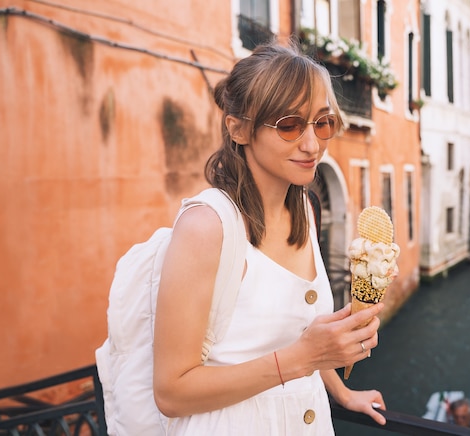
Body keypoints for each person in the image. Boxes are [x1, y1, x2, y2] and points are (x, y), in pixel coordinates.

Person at [152, 39, 388, 435]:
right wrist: (301, 358)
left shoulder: (306, 211)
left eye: (322, 122)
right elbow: (171, 393)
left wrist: (342, 392)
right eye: (289, 125)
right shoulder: (206, 227)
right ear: (239, 128)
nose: (312, 145)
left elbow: (303, 328)